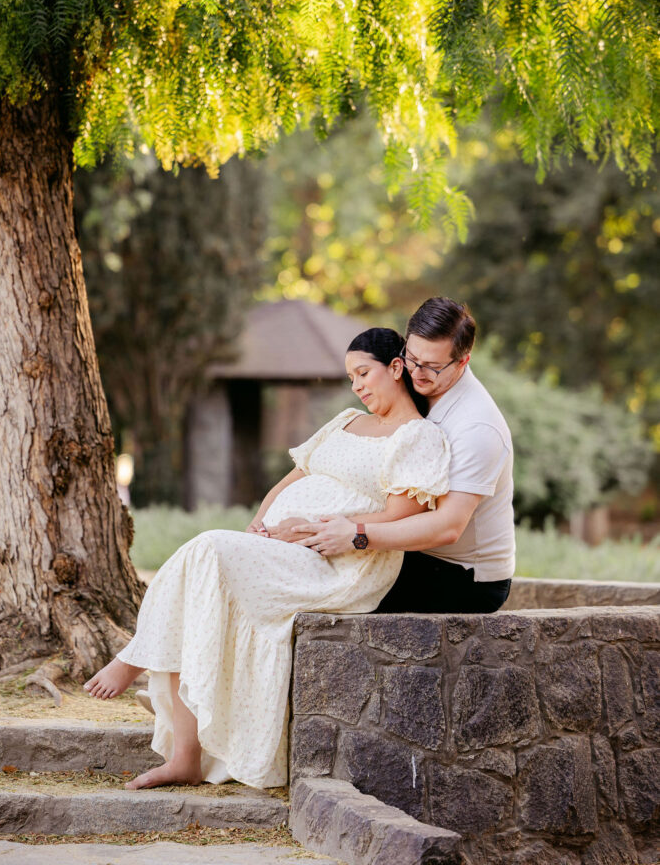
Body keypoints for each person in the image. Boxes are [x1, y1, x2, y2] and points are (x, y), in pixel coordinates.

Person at [84, 328, 450, 791]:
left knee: (206, 547)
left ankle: (136, 659)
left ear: (396, 368)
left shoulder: (417, 437)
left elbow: (400, 514)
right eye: (350, 377)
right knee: (200, 572)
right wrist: (260, 524)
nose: (356, 385)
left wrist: (316, 525)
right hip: (282, 544)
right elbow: (291, 479)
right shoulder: (344, 421)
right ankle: (184, 758)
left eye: (363, 373)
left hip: (340, 561)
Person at [270, 297, 514, 614]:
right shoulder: (415, 388)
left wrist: (355, 535)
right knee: (292, 563)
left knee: (305, 584)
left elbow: (448, 527)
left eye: (433, 365)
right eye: (412, 358)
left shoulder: (477, 427)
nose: (418, 372)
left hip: (461, 576)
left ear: (463, 362)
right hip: (404, 549)